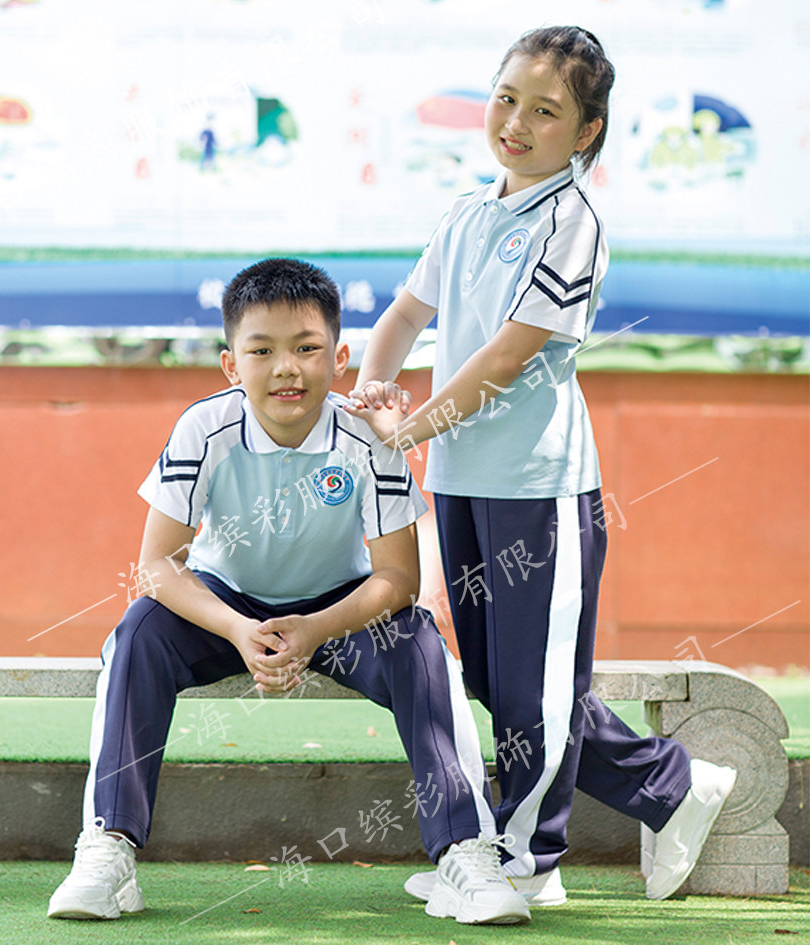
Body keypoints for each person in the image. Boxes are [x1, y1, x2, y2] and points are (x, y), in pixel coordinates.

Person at [345, 26, 735, 909]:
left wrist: (406, 430)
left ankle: (526, 861)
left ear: (585, 130)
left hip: (540, 488)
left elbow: (505, 358)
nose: (515, 122)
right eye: (506, 98)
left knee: (537, 684)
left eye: (545, 111)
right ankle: (673, 785)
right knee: (495, 679)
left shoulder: (571, 224)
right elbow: (406, 317)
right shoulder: (467, 212)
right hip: (461, 479)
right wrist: (376, 392)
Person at [47, 257, 533, 926]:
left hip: (337, 607)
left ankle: (466, 853)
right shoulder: (202, 429)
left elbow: (397, 578)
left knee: (419, 638)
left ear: (338, 358)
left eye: (306, 348)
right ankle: (108, 845)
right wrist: (237, 629)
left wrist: (312, 627)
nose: (286, 367)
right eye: (262, 350)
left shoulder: (367, 436)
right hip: (225, 604)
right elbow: (158, 566)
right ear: (230, 364)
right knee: (137, 630)